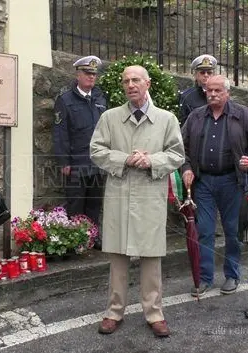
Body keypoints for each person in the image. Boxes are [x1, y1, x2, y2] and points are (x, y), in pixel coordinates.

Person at [90, 65, 184, 337]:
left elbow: (177, 155)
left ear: (148, 84)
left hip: (149, 195)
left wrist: (151, 160)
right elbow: (96, 150)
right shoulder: (110, 117)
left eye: (136, 80)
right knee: (118, 256)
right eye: (126, 81)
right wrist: (125, 158)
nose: (130, 85)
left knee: (151, 257)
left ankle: (154, 313)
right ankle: (113, 312)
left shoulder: (167, 119)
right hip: (119, 194)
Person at [181, 75, 248, 298]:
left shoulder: (242, 114)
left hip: (232, 181)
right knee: (205, 231)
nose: (212, 94)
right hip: (204, 182)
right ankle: (205, 278)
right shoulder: (196, 116)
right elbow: (182, 149)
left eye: (218, 90)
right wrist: (187, 169)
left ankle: (232, 275)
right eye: (209, 90)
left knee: (231, 231)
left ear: (227, 93)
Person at [53, 55, 107, 249]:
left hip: (97, 163)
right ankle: (76, 239)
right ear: (78, 74)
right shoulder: (65, 100)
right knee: (75, 203)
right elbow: (60, 133)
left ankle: (93, 237)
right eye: (87, 73)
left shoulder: (100, 99)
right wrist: (63, 162)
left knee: (94, 202)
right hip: (76, 163)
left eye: (94, 74)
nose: (91, 77)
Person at [179, 54, 217, 125]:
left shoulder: (220, 94)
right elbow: (184, 124)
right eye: (202, 72)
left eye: (209, 72)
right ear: (195, 75)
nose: (206, 75)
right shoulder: (187, 96)